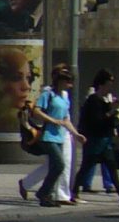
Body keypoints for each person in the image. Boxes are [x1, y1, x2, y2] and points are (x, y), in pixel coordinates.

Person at [22, 65, 84, 208]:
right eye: (67, 81)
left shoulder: (64, 98)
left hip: (60, 136)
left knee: (57, 166)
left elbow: (65, 119)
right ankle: (45, 192)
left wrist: (76, 134)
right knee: (59, 164)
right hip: (48, 136)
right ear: (60, 81)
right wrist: (53, 120)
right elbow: (37, 111)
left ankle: (45, 194)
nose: (70, 85)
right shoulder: (48, 94)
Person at [71, 69, 119, 204]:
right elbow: (97, 120)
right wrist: (111, 111)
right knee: (87, 166)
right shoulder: (93, 100)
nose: (110, 88)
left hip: (104, 139)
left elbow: (109, 119)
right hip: (95, 140)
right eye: (108, 84)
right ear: (101, 85)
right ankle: (74, 192)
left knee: (111, 165)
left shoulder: (104, 101)